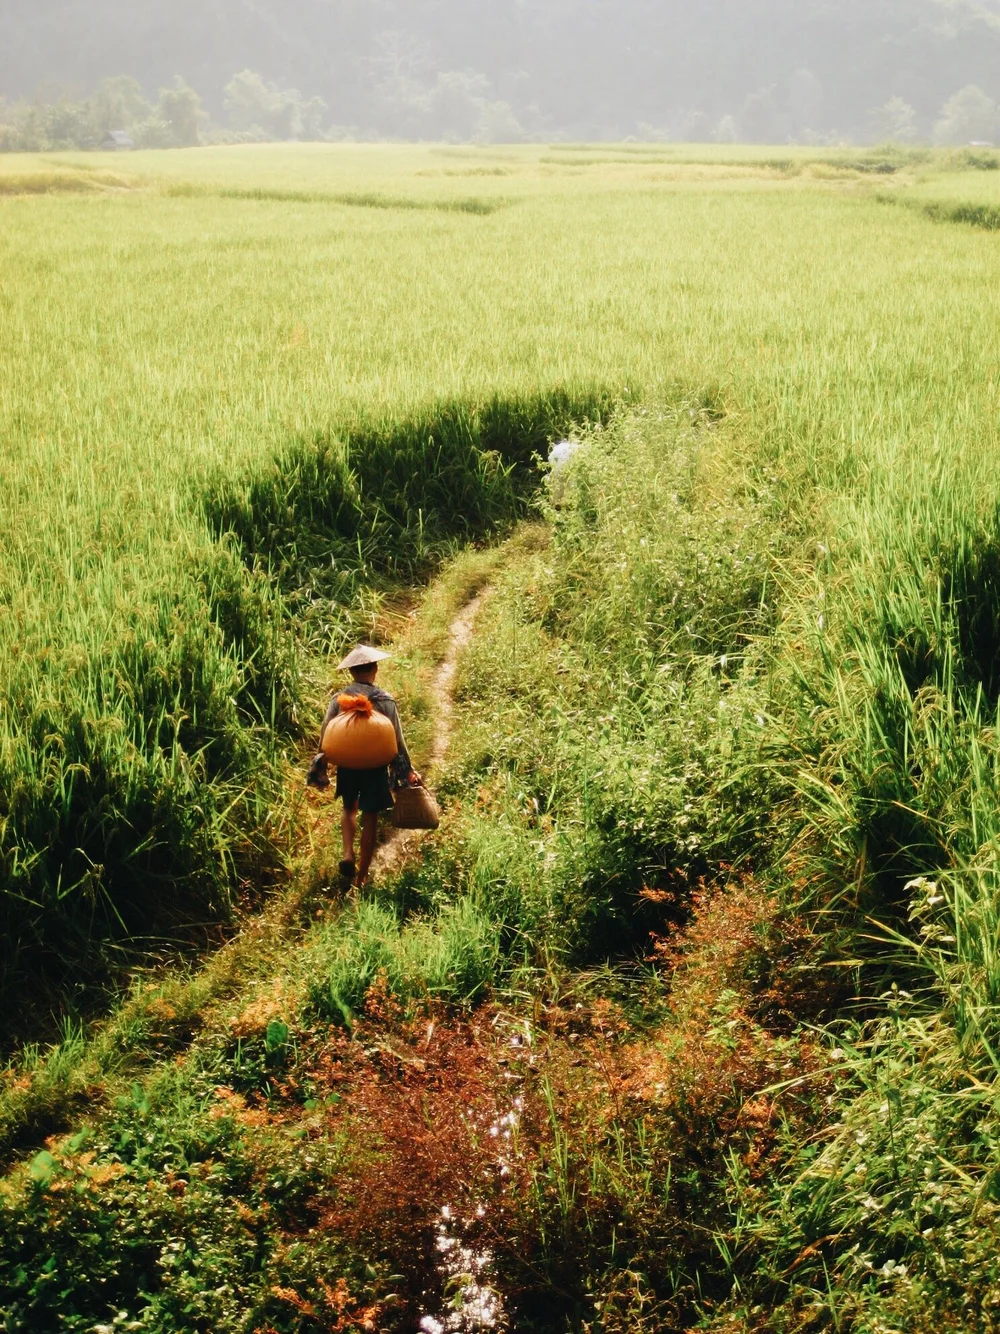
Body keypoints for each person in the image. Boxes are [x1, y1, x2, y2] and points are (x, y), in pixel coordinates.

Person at [306, 645, 420, 888]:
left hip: (348, 764)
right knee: (371, 816)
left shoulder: (339, 700)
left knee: (349, 808)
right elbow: (397, 739)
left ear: (352, 673)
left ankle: (348, 853)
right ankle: (361, 877)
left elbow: (327, 730)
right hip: (376, 767)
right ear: (374, 669)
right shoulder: (386, 700)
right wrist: (407, 769)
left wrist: (320, 759)